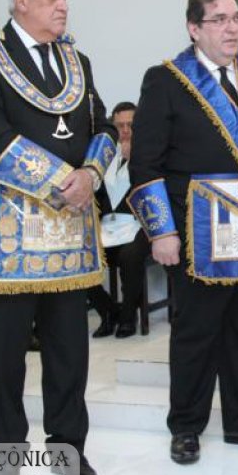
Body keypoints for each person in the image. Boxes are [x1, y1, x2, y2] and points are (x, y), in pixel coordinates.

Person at [0, 0, 116, 475]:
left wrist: (91, 174)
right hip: (7, 234)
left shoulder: (76, 59)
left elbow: (103, 125)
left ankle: (69, 450)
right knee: (4, 354)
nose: (64, 5)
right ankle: (6, 457)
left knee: (70, 351)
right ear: (21, 2)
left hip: (70, 232)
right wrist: (62, 181)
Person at [128, 0, 238, 466]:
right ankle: (186, 426)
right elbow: (145, 163)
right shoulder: (165, 80)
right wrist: (161, 231)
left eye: (236, 19)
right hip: (197, 233)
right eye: (219, 19)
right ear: (194, 28)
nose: (231, 28)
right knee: (196, 333)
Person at [87, 100, 149, 339]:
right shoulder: (103, 158)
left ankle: (128, 316)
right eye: (119, 126)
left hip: (139, 225)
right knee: (82, 256)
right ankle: (108, 311)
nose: (125, 131)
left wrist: (137, 160)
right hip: (107, 226)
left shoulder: (149, 155)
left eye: (129, 125)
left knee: (130, 256)